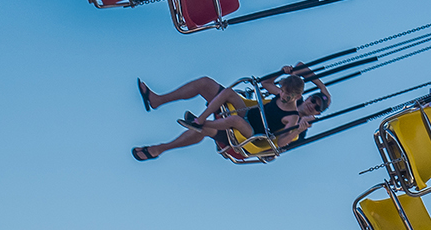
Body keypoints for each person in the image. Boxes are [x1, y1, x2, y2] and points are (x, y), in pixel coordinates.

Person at [131, 68, 332, 162]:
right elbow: (269, 83)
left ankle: (161, 148)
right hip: (248, 114)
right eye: (313, 100)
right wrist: (283, 72)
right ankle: (158, 100)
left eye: (316, 108)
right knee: (207, 83)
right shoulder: (286, 95)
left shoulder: (297, 124)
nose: (312, 105)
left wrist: (299, 128)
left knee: (219, 126)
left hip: (248, 138)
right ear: (304, 97)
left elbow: (279, 144)